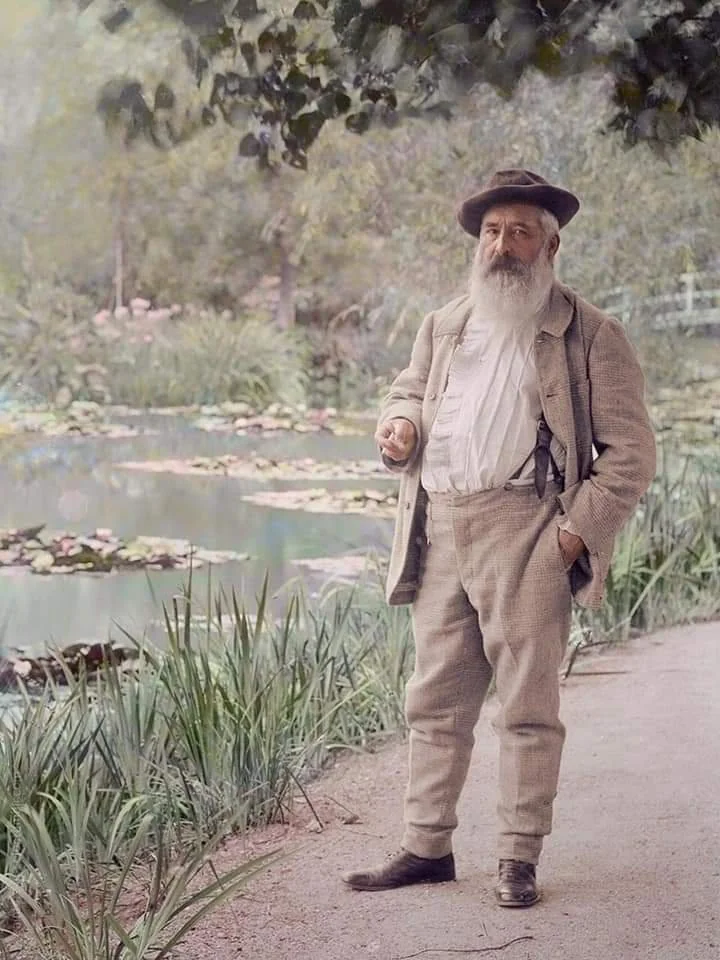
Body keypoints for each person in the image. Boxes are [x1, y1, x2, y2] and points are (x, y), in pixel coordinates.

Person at [341, 169, 656, 907]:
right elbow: (409, 392)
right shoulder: (444, 323)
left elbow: (633, 455)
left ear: (551, 244)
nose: (502, 246)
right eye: (491, 231)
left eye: (519, 231)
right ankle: (426, 846)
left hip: (530, 530)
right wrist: (399, 429)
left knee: (526, 705)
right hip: (442, 525)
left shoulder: (591, 333)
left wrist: (574, 535)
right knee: (433, 699)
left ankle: (517, 858)